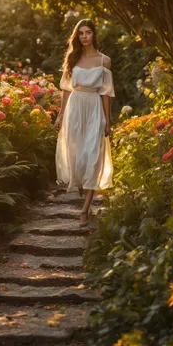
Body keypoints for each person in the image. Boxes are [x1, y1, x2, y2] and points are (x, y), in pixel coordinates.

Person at [54, 19, 115, 227]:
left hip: (94, 108)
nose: (85, 36)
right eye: (81, 33)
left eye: (88, 32)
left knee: (93, 157)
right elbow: (66, 89)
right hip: (75, 108)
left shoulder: (104, 61)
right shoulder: (73, 58)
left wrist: (107, 120)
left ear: (94, 35)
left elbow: (106, 93)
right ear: (77, 37)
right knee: (77, 158)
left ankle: (85, 209)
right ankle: (82, 190)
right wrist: (60, 116)